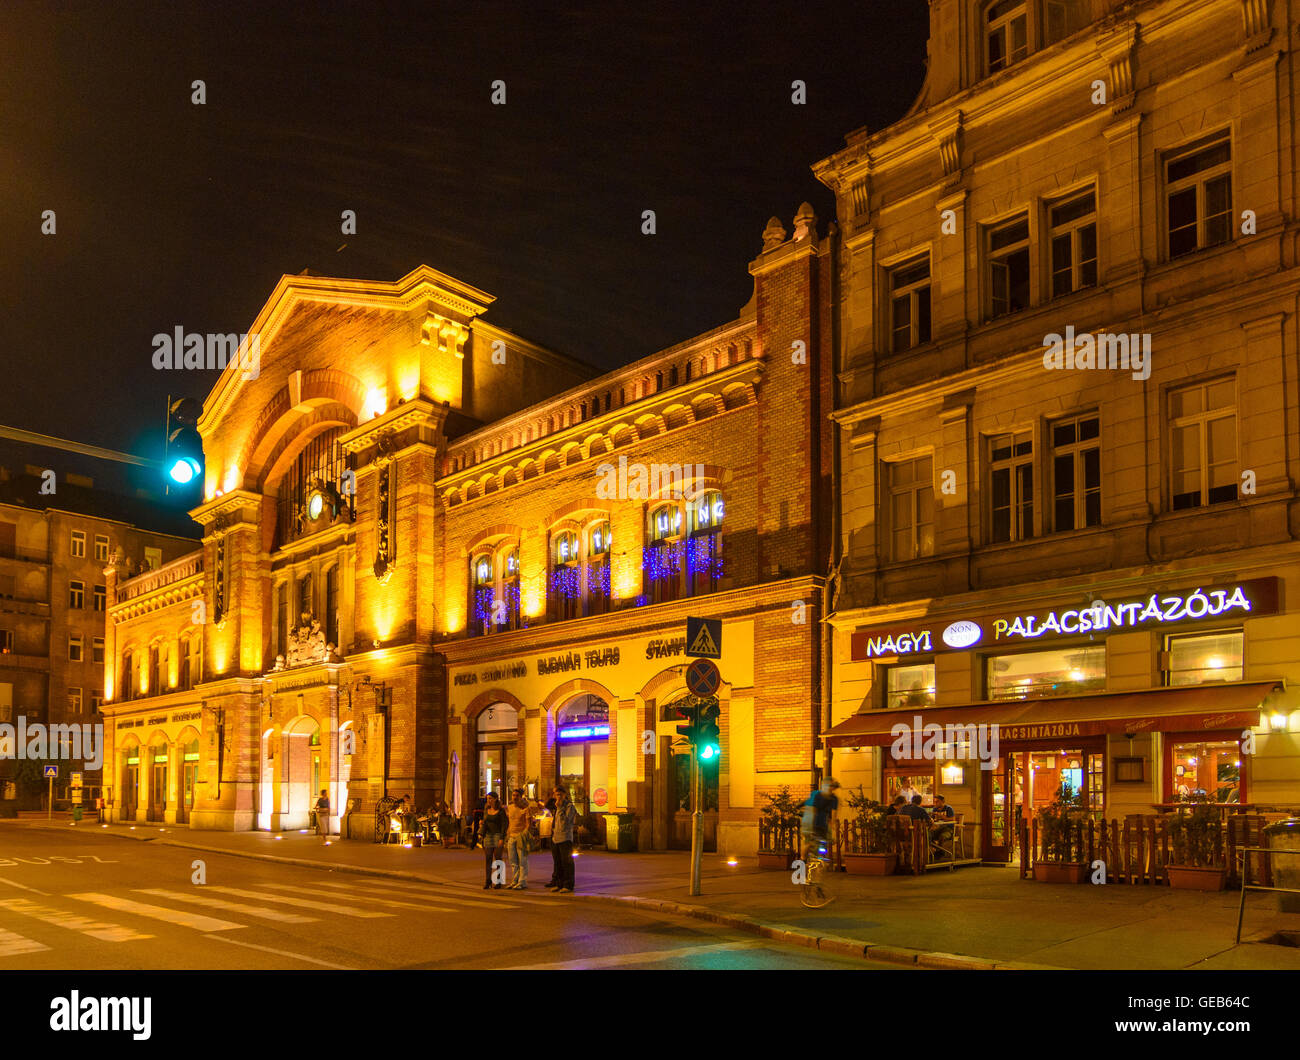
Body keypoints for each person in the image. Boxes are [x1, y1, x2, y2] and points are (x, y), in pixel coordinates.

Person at [800, 778, 841, 861]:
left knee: (825, 840)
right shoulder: (818, 795)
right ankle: (803, 859)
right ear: (824, 786)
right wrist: (810, 826)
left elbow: (834, 813)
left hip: (823, 822)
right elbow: (813, 810)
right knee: (809, 842)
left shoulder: (834, 799)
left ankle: (820, 856)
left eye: (832, 786)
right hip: (812, 821)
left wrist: (832, 825)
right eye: (829, 786)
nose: (830, 788)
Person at [548, 787, 578, 893]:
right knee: (558, 862)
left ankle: (568, 885)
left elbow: (565, 822)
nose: (558, 797)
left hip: (565, 838)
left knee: (567, 862)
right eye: (556, 795)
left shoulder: (569, 807)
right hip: (556, 838)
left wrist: (560, 808)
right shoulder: (556, 806)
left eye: (560, 795)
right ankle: (559, 884)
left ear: (565, 795)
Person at [480, 793, 508, 889]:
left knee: (498, 858)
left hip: (497, 835)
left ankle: (499, 881)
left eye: (491, 798)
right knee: (488, 858)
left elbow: (504, 825)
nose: (489, 800)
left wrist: (502, 838)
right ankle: (488, 881)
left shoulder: (501, 811)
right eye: (487, 798)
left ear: (496, 799)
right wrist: (482, 823)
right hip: (488, 836)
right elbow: (485, 821)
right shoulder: (486, 810)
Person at [505, 788, 532, 889]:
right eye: (513, 795)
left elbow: (529, 824)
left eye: (517, 796)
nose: (515, 797)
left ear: (521, 797)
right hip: (511, 836)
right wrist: (507, 835)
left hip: (521, 836)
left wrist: (524, 834)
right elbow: (509, 821)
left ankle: (522, 882)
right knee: (513, 861)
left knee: (523, 861)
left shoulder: (525, 808)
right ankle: (514, 880)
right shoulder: (510, 807)